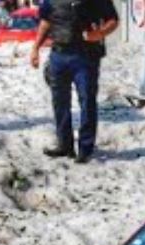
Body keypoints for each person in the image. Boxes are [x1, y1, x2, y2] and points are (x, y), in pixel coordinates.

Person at [30, 0, 119, 164]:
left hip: (85, 57)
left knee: (87, 101)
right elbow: (46, 22)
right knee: (60, 102)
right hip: (58, 55)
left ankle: (85, 148)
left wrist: (99, 34)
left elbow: (113, 20)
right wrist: (35, 48)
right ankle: (65, 145)